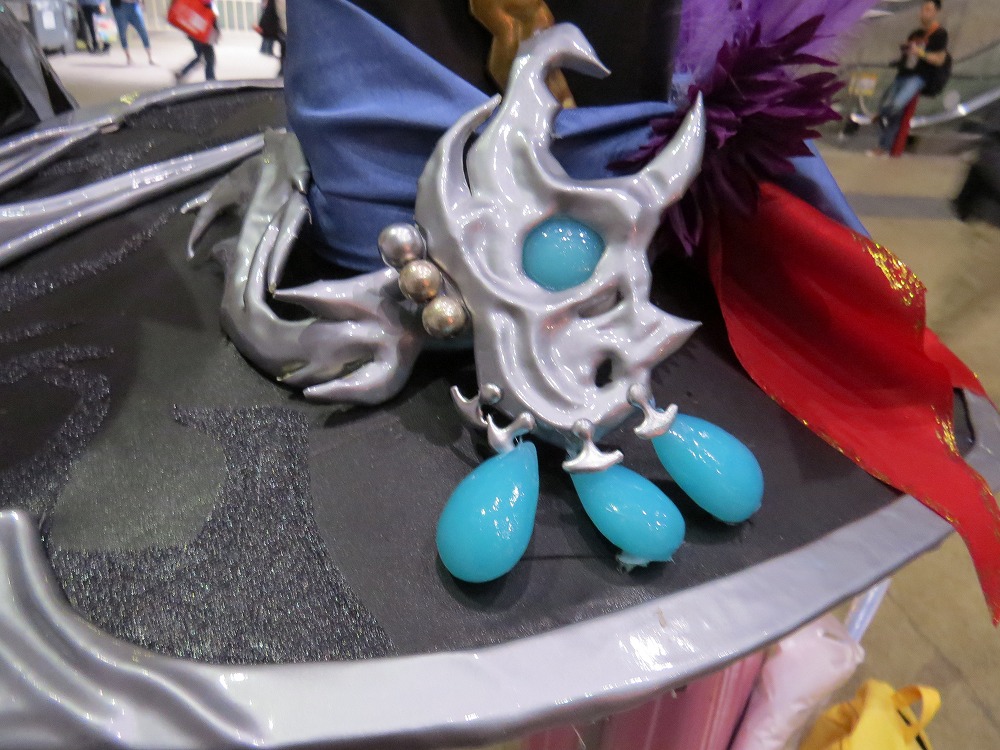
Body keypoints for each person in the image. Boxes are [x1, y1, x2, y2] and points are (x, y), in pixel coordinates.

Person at [872, 0, 950, 156]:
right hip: (903, 73)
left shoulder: (940, 34)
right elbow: (907, 55)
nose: (923, 13)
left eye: (928, 10)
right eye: (923, 9)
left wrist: (920, 53)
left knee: (896, 105)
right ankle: (883, 146)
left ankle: (881, 115)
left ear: (936, 12)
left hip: (918, 76)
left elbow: (939, 59)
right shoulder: (915, 34)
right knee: (894, 113)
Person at [174, 1, 219, 82]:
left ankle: (182, 73)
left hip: (194, 34)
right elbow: (211, 17)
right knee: (210, 60)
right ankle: (210, 80)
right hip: (203, 35)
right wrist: (216, 31)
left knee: (199, 57)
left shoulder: (194, 3)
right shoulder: (207, 4)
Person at [110, 0, 154, 65]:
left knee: (142, 30)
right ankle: (128, 57)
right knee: (122, 32)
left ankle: (150, 57)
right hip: (120, 6)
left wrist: (141, 2)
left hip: (134, 5)